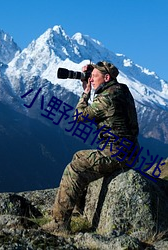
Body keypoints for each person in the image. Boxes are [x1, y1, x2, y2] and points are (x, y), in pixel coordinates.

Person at [42, 61, 139, 233]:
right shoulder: (121, 89)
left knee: (74, 168)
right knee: (79, 156)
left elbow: (79, 116)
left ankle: (59, 224)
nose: (91, 79)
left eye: (94, 77)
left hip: (116, 153)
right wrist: (92, 71)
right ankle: (79, 209)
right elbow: (103, 79)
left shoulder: (107, 98)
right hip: (128, 151)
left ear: (106, 78)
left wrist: (85, 92)